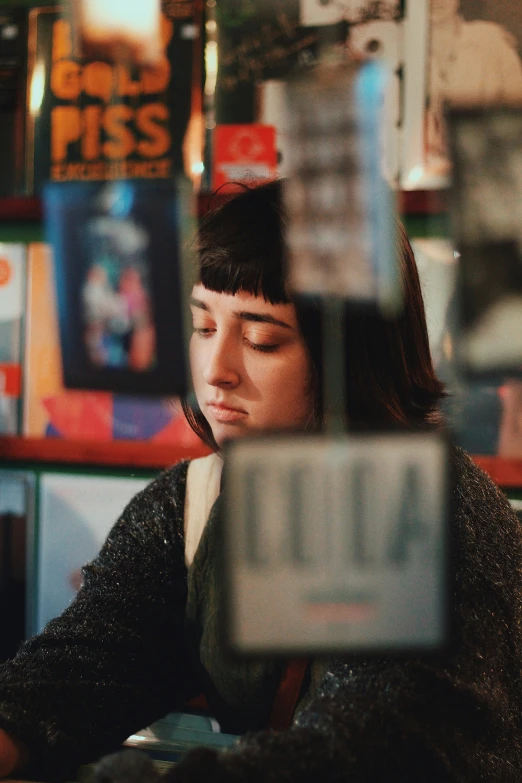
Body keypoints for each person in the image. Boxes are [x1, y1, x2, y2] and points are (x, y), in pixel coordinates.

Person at [1, 181, 522, 781]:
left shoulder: (439, 517)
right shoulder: (192, 506)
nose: (216, 371)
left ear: (350, 355)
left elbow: (382, 742)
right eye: (202, 329)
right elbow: (88, 659)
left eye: (261, 339)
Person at [427, 0, 522, 177]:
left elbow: (517, 116)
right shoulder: (399, 55)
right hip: (426, 179)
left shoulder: (492, 43)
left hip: (490, 172)